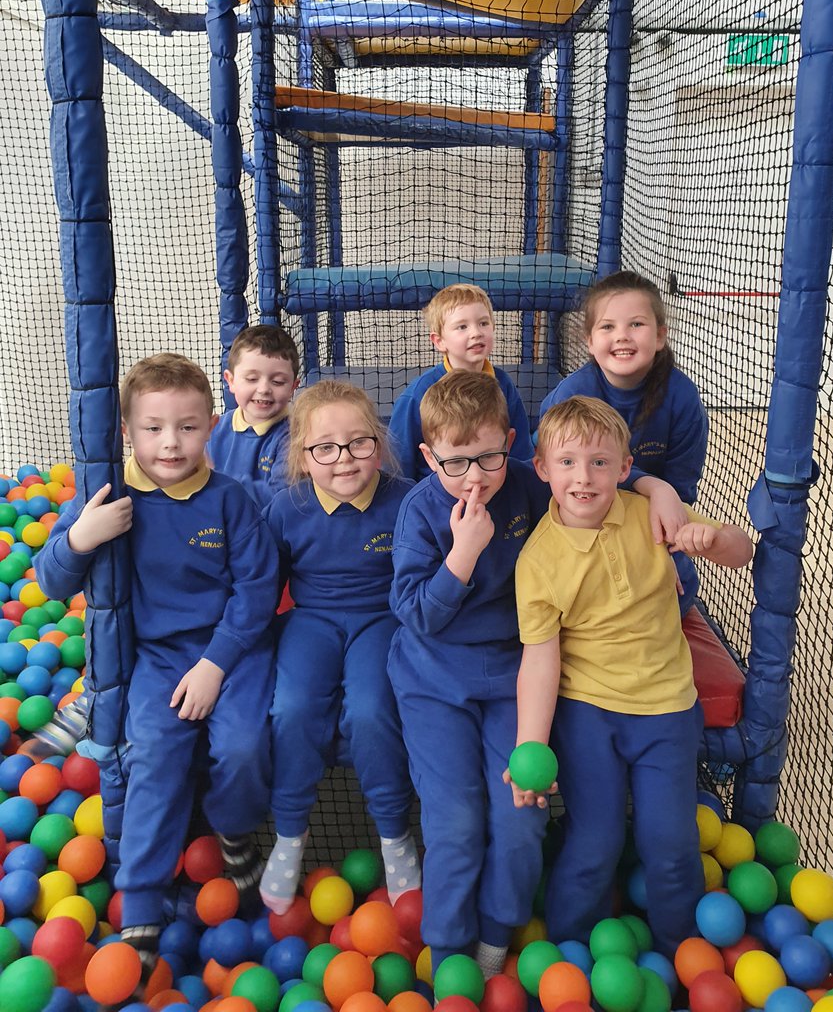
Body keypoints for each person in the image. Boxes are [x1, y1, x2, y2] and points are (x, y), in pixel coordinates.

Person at [35, 353, 279, 982]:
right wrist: (82, 536)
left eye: (188, 427)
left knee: (245, 745)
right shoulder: (108, 495)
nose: (170, 443)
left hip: (233, 650)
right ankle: (142, 903)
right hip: (157, 658)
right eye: (153, 428)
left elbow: (256, 592)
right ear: (126, 431)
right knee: (151, 753)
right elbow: (51, 579)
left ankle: (234, 833)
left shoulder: (231, 500)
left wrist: (215, 665)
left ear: (212, 426)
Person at [510, 396, 753, 957]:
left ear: (624, 468)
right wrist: (530, 743)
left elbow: (741, 551)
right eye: (567, 463)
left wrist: (714, 540)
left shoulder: (650, 513)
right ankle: (571, 954)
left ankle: (681, 954)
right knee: (596, 839)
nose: (583, 478)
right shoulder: (538, 561)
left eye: (599, 463)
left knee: (670, 841)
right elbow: (540, 659)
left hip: (666, 707)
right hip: (588, 712)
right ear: (542, 469)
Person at [388, 370, 549, 978]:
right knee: (455, 821)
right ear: (429, 457)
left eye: (488, 457)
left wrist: (655, 491)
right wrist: (463, 554)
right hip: (433, 679)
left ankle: (495, 936)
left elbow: (599, 476)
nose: (475, 477)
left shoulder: (531, 488)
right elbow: (416, 614)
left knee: (520, 815)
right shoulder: (420, 509)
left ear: (510, 442)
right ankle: (449, 947)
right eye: (455, 463)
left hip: (513, 678)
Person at [259, 379, 420, 914]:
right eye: (325, 448)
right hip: (312, 621)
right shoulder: (287, 508)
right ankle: (289, 832)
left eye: (358, 443)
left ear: (379, 441)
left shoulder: (404, 500)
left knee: (372, 710)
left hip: (382, 620)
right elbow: (262, 587)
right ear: (303, 456)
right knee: (292, 707)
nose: (344, 458)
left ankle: (395, 835)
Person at [540, 271, 708, 613]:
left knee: (673, 592)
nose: (622, 336)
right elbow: (556, 477)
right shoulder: (572, 394)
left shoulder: (682, 398)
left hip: (644, 517)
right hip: (579, 510)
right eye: (607, 326)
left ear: (660, 336)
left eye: (636, 324)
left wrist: (662, 541)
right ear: (589, 341)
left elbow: (680, 487)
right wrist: (650, 484)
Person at [389, 283, 533, 481]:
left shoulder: (504, 385)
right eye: (462, 327)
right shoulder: (418, 394)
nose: (476, 333)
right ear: (439, 341)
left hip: (491, 486)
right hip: (439, 491)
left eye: (483, 323)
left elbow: (521, 452)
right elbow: (398, 463)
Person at [207, 324, 300, 507]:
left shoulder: (294, 436)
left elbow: (279, 498)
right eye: (251, 379)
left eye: (277, 382)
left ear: (293, 387)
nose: (264, 389)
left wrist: (215, 486)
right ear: (231, 381)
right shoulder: (214, 429)